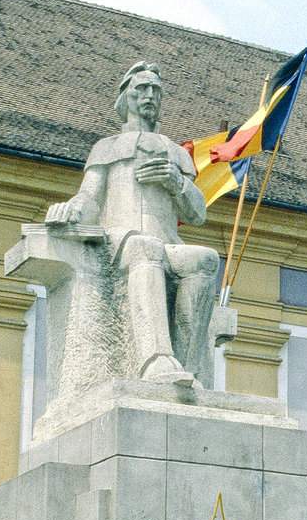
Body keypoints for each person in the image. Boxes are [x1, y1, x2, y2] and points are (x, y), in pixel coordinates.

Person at [45, 61, 219, 387]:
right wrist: (69, 209)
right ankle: (155, 361)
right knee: (146, 248)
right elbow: (90, 199)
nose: (149, 95)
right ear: (127, 97)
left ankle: (188, 369)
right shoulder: (107, 147)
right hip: (120, 239)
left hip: (167, 242)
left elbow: (197, 213)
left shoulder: (174, 153)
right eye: (141, 88)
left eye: (155, 90)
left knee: (205, 259)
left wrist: (176, 183)